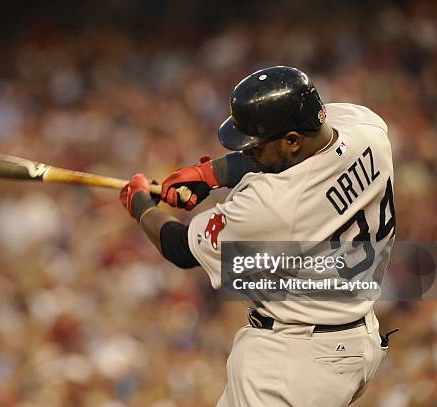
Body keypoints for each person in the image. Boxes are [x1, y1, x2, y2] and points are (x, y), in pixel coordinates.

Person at [120, 66, 396, 406]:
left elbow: (179, 247)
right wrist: (210, 174)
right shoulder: (368, 131)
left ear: (292, 141)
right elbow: (301, 151)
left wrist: (141, 206)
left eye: (254, 146)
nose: (248, 153)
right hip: (353, 338)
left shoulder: (273, 204)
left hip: (296, 360)